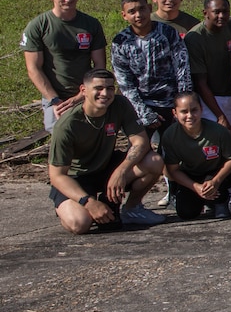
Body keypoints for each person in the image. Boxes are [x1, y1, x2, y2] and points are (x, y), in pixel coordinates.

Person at [46, 69, 165, 233]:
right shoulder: (67, 125)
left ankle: (132, 209)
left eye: (110, 88)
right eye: (99, 88)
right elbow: (57, 176)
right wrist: (89, 203)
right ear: (83, 91)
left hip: (106, 167)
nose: (105, 93)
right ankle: (71, 207)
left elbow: (141, 141)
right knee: (79, 224)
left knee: (154, 161)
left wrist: (121, 172)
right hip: (77, 177)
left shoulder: (119, 104)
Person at [22, 0, 107, 131]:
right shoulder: (38, 26)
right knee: (59, 132)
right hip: (55, 96)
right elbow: (33, 68)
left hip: (87, 93)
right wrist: (54, 100)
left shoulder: (91, 24)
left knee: (94, 132)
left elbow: (100, 65)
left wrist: (83, 95)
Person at [111, 0, 192, 135]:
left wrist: (181, 107)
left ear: (149, 8)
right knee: (140, 150)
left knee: (171, 149)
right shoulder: (120, 42)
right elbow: (125, 83)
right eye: (132, 11)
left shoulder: (168, 33)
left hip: (170, 103)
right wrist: (143, 112)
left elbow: (182, 71)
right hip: (139, 105)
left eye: (142, 8)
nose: (138, 15)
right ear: (124, 15)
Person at [161, 91, 231, 220]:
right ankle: (205, 199)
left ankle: (220, 200)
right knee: (186, 213)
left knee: (216, 187)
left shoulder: (218, 131)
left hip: (216, 172)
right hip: (191, 175)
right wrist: (195, 187)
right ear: (175, 113)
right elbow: (173, 170)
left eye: (194, 110)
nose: (190, 116)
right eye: (184, 112)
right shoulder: (170, 136)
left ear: (201, 109)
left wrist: (216, 181)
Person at [184, 0, 231, 131]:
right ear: (206, 13)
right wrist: (220, 116)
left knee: (230, 136)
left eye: (225, 12)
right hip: (209, 98)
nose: (221, 16)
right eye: (216, 12)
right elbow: (200, 82)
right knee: (214, 137)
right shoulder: (195, 38)